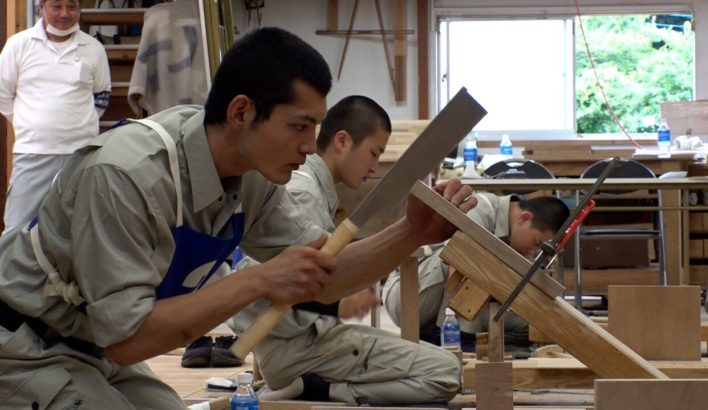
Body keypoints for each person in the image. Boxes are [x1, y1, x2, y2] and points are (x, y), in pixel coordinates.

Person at [0, 27, 476, 408]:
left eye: (314, 126)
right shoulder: (125, 175)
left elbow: (323, 278)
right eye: (299, 126)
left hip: (92, 348)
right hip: (23, 346)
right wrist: (259, 281)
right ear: (242, 111)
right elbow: (127, 338)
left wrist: (412, 232)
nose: (311, 146)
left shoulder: (253, 178)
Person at [228, 95, 462, 406]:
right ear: (342, 141)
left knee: (437, 364)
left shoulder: (315, 187)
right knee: (445, 373)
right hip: (300, 348)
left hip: (304, 341)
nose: (375, 167)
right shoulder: (303, 190)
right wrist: (336, 304)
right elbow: (280, 276)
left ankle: (308, 387)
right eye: (374, 153)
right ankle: (321, 391)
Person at [383, 193, 569, 353]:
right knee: (472, 257)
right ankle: (455, 342)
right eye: (537, 244)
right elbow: (458, 263)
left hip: (440, 310)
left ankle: (467, 339)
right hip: (408, 294)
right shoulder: (482, 207)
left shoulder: (517, 240)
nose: (533, 253)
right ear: (524, 218)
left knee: (531, 321)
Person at [0, 0, 111, 233]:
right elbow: (3, 95)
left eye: (71, 7)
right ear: (41, 8)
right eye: (56, 6)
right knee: (17, 230)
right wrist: (28, 123)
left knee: (80, 230)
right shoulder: (18, 45)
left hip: (81, 154)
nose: (64, 13)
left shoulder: (93, 48)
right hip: (33, 154)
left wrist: (78, 124)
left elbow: (101, 96)